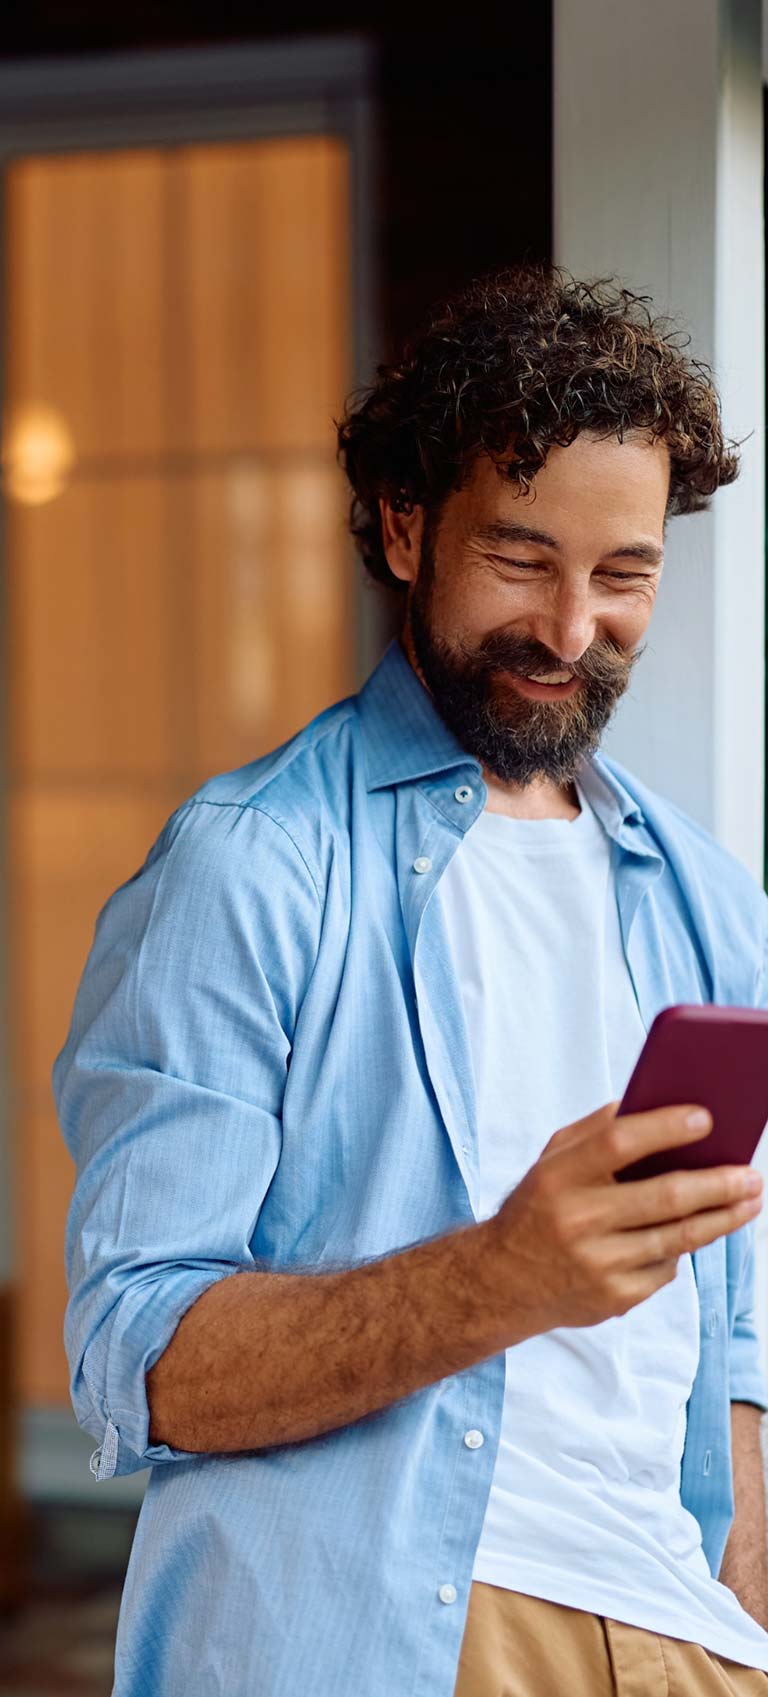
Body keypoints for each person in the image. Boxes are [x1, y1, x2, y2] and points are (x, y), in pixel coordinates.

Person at [53, 266, 768, 1697]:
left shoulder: (703, 897)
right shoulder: (248, 867)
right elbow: (139, 1358)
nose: (573, 629)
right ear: (401, 525)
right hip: (394, 1639)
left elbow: (733, 1329)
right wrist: (496, 1280)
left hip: (686, 1635)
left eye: (622, 574)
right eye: (521, 559)